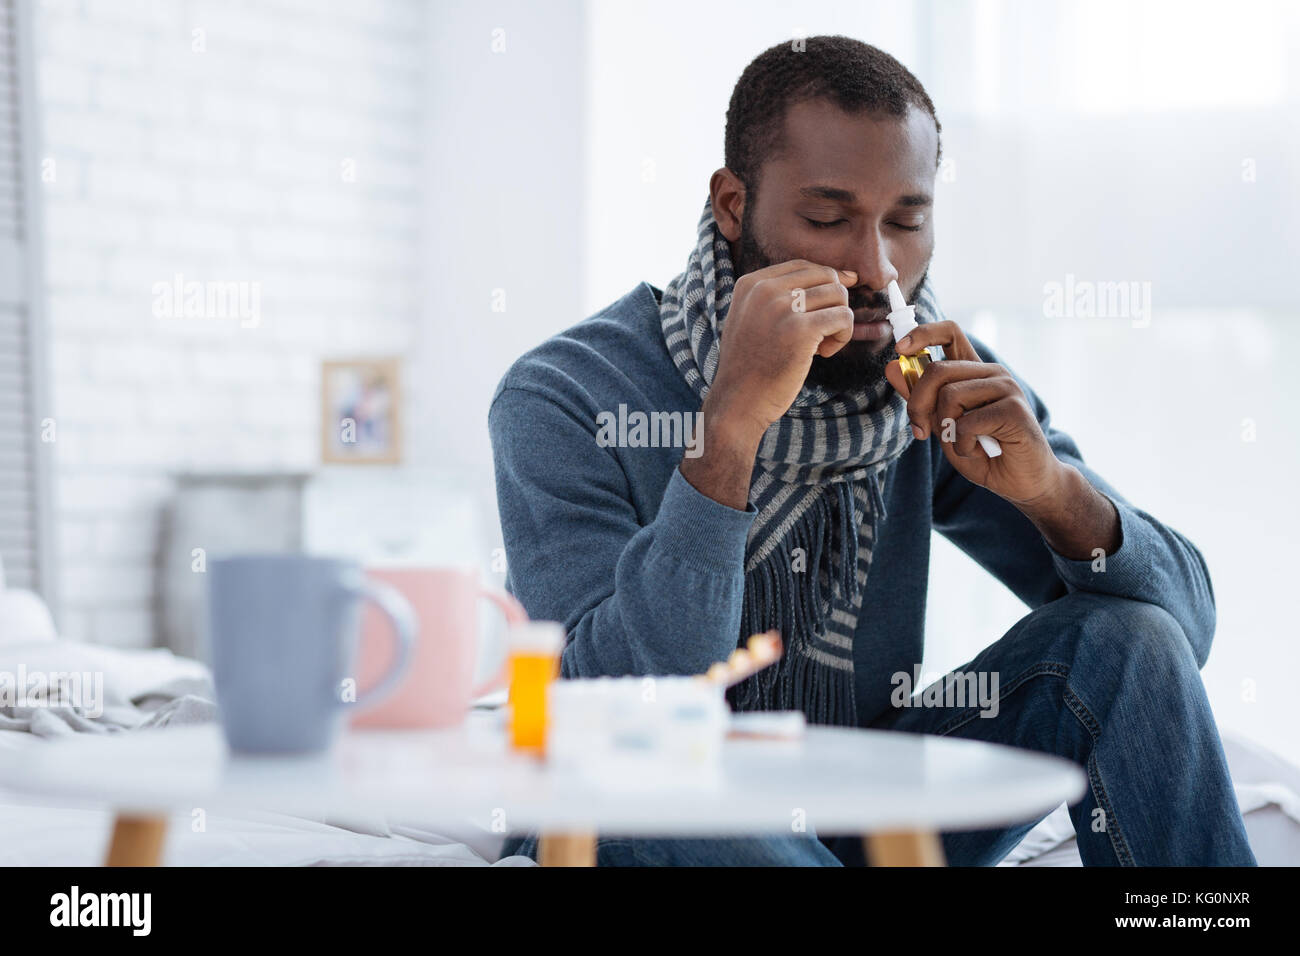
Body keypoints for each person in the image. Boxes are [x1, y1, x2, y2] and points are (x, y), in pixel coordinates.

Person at [488, 35, 1254, 866]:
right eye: (828, 219)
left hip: (859, 806)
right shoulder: (565, 393)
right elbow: (620, 706)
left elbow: (1185, 631)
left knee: (1125, 644)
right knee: (655, 781)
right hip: (650, 809)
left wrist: (1050, 493)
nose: (874, 265)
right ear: (733, 206)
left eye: (907, 222)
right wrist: (731, 428)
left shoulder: (930, 378)